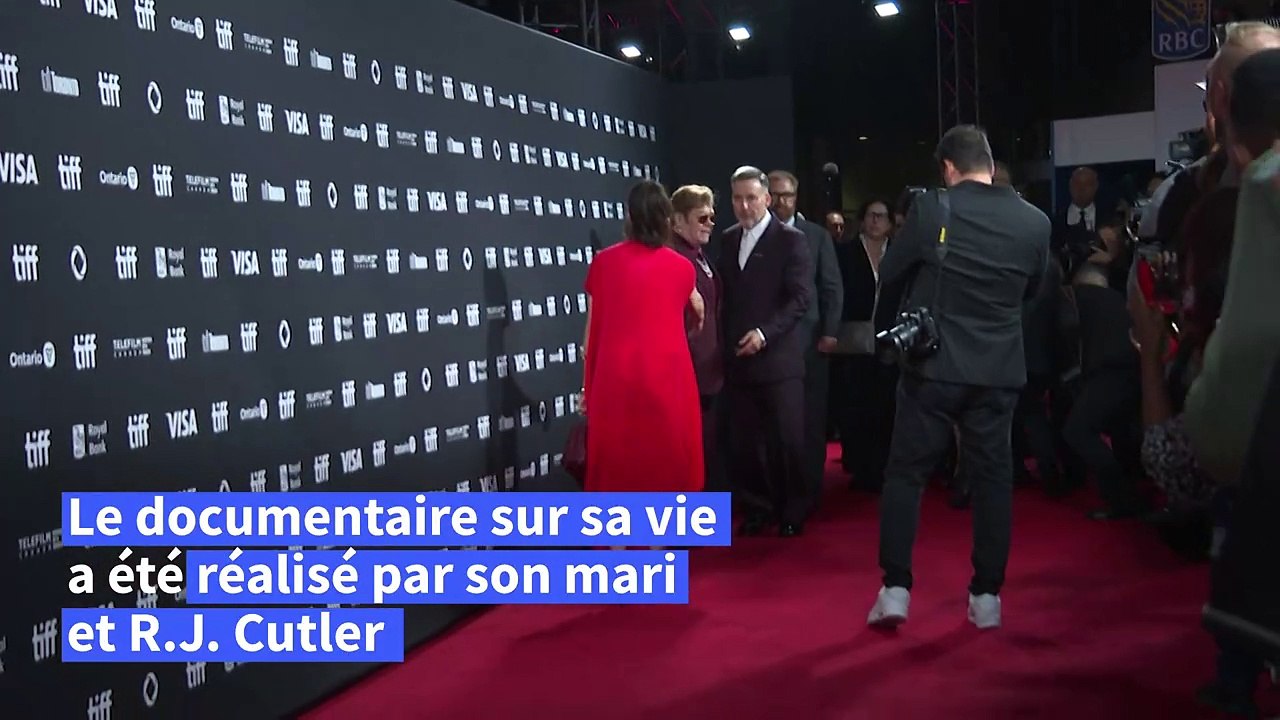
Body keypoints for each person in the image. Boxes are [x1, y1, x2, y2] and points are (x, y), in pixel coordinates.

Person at [866, 125, 1050, 630]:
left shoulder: (932, 209)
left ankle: (897, 589)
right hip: (999, 372)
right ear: (989, 165)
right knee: (994, 482)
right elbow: (1033, 292)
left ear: (948, 167)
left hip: (934, 368)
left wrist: (890, 337)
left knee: (906, 475)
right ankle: (987, 598)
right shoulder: (1035, 223)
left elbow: (891, 277)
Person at [580, 180, 706, 496]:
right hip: (668, 385)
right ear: (667, 218)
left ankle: (618, 545)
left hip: (615, 384)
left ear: (629, 216)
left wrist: (588, 387)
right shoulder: (682, 268)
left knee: (617, 476)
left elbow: (589, 338)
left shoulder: (603, 263)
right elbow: (697, 316)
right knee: (664, 472)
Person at [718, 165, 814, 537]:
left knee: (786, 440)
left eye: (751, 198)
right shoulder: (727, 239)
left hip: (779, 360)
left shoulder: (790, 240)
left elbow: (801, 298)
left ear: (767, 199)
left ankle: (793, 510)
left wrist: (765, 333)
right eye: (738, 199)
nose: (744, 206)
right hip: (739, 361)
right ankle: (758, 508)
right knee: (746, 442)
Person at [768, 170, 844, 512]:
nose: (782, 202)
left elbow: (831, 287)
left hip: (811, 342)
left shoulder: (816, 235)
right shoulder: (756, 236)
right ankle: (776, 494)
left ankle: (810, 494)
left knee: (811, 421)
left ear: (797, 197)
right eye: (776, 195)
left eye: (788, 195)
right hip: (769, 344)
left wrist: (829, 332)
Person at [670, 184, 724, 490]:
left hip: (709, 368)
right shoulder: (674, 259)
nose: (710, 225)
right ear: (678, 221)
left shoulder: (698, 255)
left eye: (711, 218)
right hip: (688, 370)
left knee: (706, 449)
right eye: (702, 218)